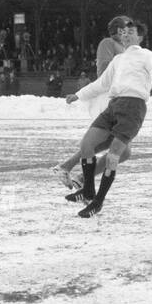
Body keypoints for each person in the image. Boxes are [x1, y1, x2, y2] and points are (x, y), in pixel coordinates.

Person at [66, 18, 152, 217]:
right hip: (114, 105)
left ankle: (97, 202)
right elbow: (101, 84)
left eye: (131, 32)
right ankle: (89, 190)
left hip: (133, 107)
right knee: (86, 145)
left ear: (140, 37)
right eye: (124, 33)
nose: (126, 35)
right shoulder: (118, 60)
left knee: (113, 156)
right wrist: (79, 94)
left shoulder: (147, 55)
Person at [51, 17, 129, 190]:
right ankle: (79, 177)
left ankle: (70, 170)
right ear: (118, 30)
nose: (131, 30)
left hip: (119, 100)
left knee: (117, 148)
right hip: (108, 100)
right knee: (119, 148)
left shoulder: (125, 49)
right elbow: (103, 72)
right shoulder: (107, 43)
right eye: (127, 27)